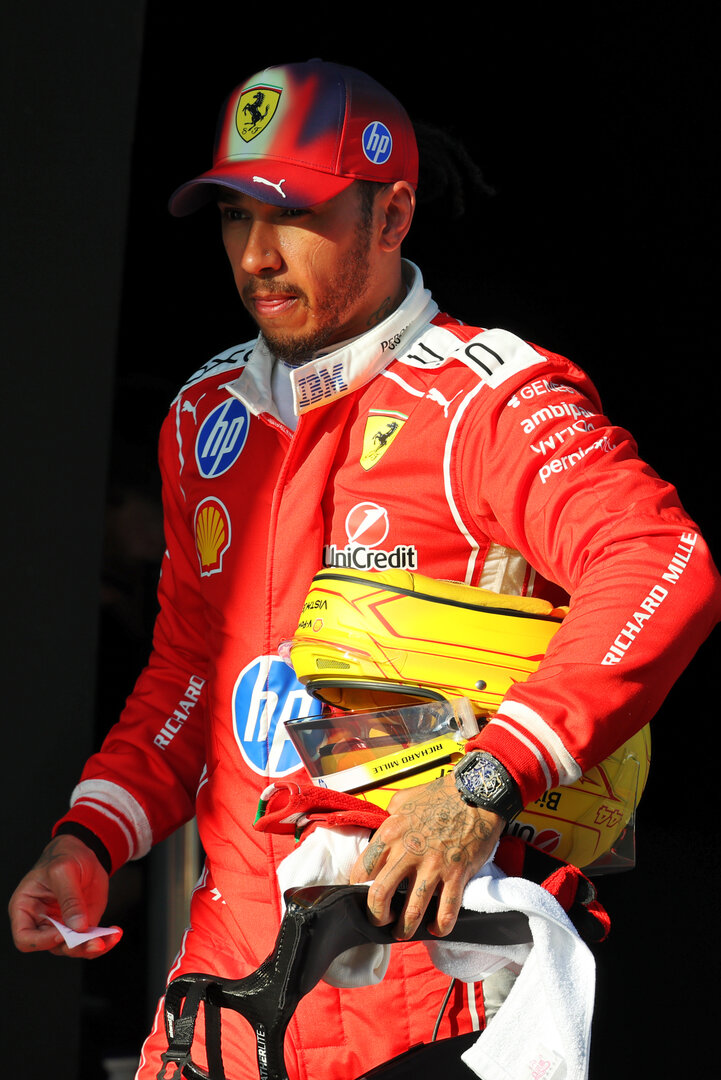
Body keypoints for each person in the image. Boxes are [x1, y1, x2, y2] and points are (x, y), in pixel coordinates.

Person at [9, 58, 720, 1079]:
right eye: (232, 217)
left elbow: (662, 563)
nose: (256, 253)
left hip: (435, 983)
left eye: (292, 214)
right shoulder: (207, 418)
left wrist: (486, 783)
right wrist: (91, 838)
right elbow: (191, 673)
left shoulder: (491, 404)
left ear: (391, 217)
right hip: (233, 972)